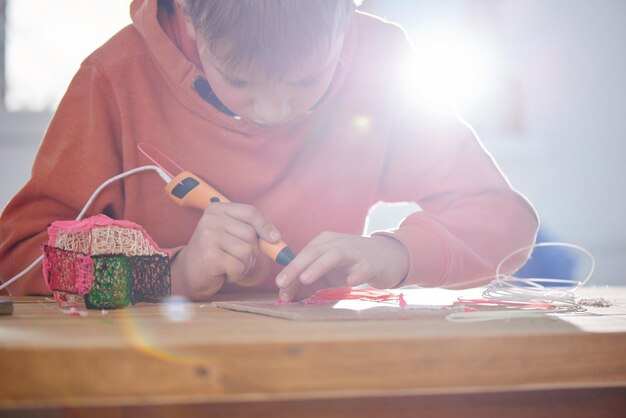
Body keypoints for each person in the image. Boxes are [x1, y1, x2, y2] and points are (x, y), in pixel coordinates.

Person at [0, 0, 538, 301]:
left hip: (323, 375)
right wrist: (171, 274)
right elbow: (17, 260)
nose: (274, 112)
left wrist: (393, 254)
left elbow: (504, 222)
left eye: (308, 81)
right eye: (239, 81)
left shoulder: (382, 62)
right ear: (188, 15)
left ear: (347, 15)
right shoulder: (114, 79)